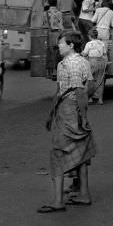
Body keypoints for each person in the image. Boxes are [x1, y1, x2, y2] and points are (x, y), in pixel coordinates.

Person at [40, 31, 96, 212]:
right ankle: (84, 194)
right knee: (81, 154)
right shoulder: (83, 62)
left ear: (71, 45)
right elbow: (89, 87)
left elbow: (77, 91)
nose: (59, 47)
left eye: (62, 44)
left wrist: (80, 116)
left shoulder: (68, 64)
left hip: (69, 111)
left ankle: (57, 201)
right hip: (73, 110)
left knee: (58, 154)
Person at [81, 28, 107, 105]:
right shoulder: (101, 43)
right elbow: (104, 53)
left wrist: (80, 53)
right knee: (100, 80)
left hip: (92, 62)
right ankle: (100, 99)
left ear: (89, 36)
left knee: (90, 81)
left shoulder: (89, 44)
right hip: (101, 62)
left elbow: (85, 54)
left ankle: (90, 98)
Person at [45, 0, 63, 78]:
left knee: (49, 52)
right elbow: (60, 26)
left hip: (48, 33)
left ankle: (49, 73)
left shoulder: (45, 13)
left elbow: (43, 24)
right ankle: (56, 72)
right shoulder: (59, 13)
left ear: (49, 3)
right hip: (56, 34)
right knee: (57, 53)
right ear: (56, 3)